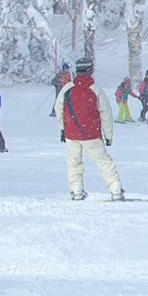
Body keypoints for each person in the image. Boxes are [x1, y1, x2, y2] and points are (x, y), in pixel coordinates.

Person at [56, 55, 124, 200]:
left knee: (74, 163)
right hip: (91, 134)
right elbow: (106, 113)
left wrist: (63, 128)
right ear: (90, 71)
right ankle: (115, 189)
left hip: (71, 133)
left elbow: (58, 108)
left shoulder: (67, 88)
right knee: (104, 162)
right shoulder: (95, 89)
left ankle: (77, 190)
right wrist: (108, 136)